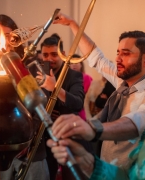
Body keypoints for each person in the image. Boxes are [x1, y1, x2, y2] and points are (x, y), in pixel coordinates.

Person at [46, 13, 145, 172]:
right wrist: (72, 25)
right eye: (118, 52)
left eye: (125, 53)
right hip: (105, 170)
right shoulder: (124, 83)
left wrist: (93, 129)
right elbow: (96, 57)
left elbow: (139, 121)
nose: (118, 59)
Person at [0, 15, 50, 180]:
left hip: (30, 152)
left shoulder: (31, 67)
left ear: (17, 39)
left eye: (7, 37)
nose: (1, 43)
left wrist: (27, 136)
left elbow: (41, 108)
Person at [37, 33, 92, 180]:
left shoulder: (74, 76)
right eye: (45, 54)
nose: (49, 59)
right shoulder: (37, 75)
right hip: (45, 139)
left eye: (54, 54)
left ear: (63, 54)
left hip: (70, 137)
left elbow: (77, 103)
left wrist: (55, 88)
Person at [70, 54, 93, 120]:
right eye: (72, 63)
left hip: (82, 110)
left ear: (81, 65)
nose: (74, 65)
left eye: (76, 62)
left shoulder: (87, 77)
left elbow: (90, 98)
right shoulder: (67, 78)